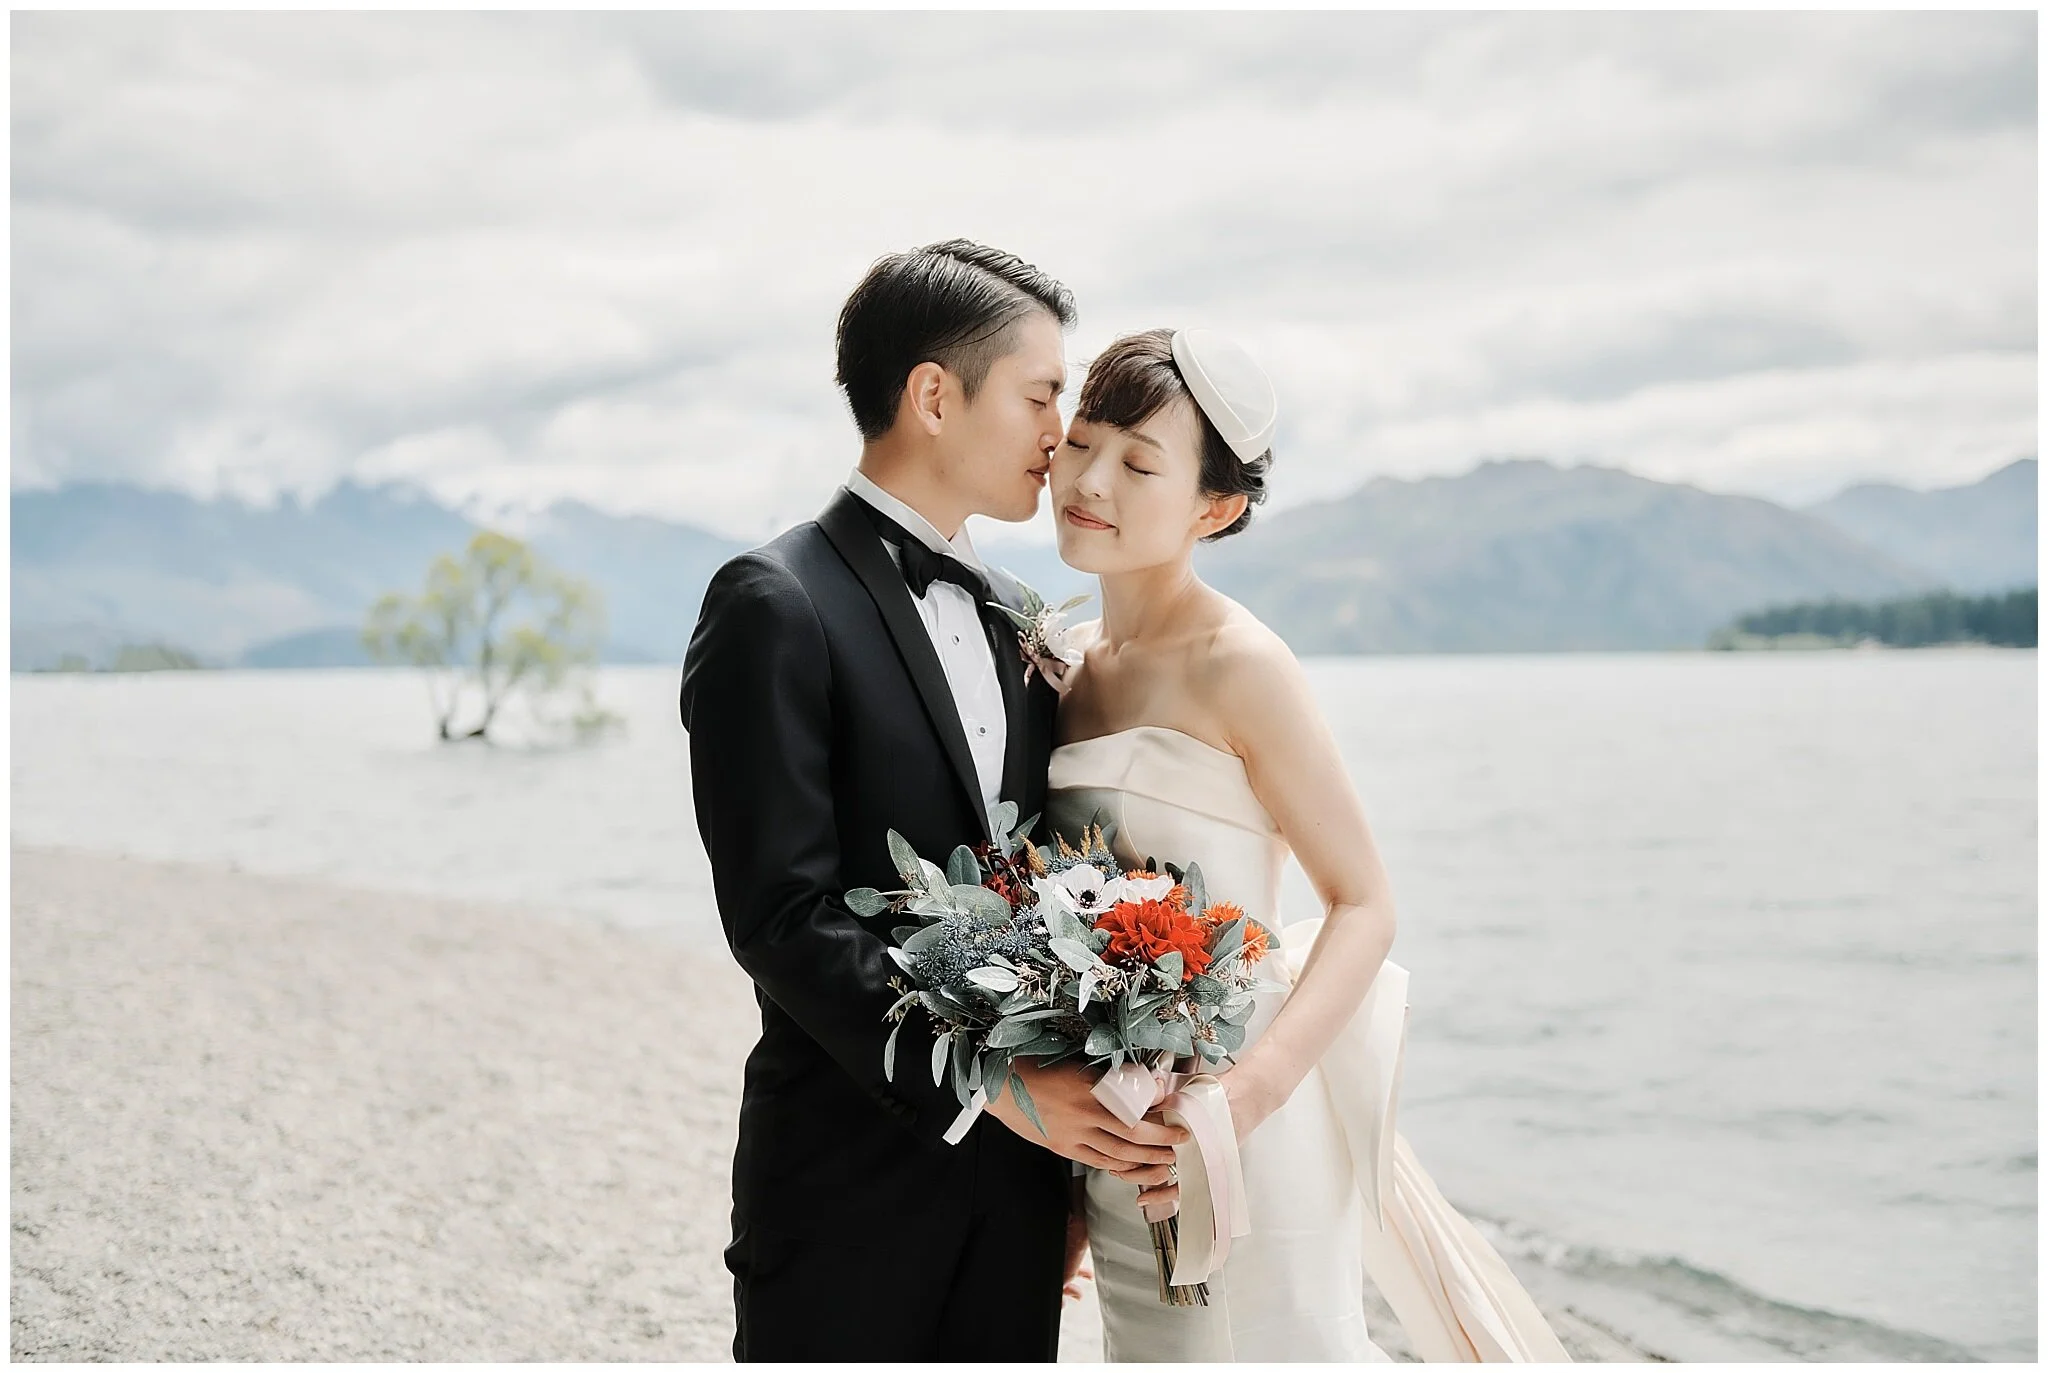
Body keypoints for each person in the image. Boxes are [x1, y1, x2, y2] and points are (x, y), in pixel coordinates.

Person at [679, 242, 1184, 1362]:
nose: (1061, 432)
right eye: (1042, 393)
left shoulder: (1015, 611)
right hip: (845, 1182)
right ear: (933, 396)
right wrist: (997, 1085)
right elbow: (781, 917)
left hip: (1016, 1193)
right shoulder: (774, 602)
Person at [1039, 327, 1571, 1361]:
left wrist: (1243, 1098)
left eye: (1139, 463)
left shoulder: (1241, 664)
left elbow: (1363, 901)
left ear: (1214, 508)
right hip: (1118, 1124)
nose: (1090, 479)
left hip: (1241, 1119)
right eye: (1082, 442)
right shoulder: (1067, 661)